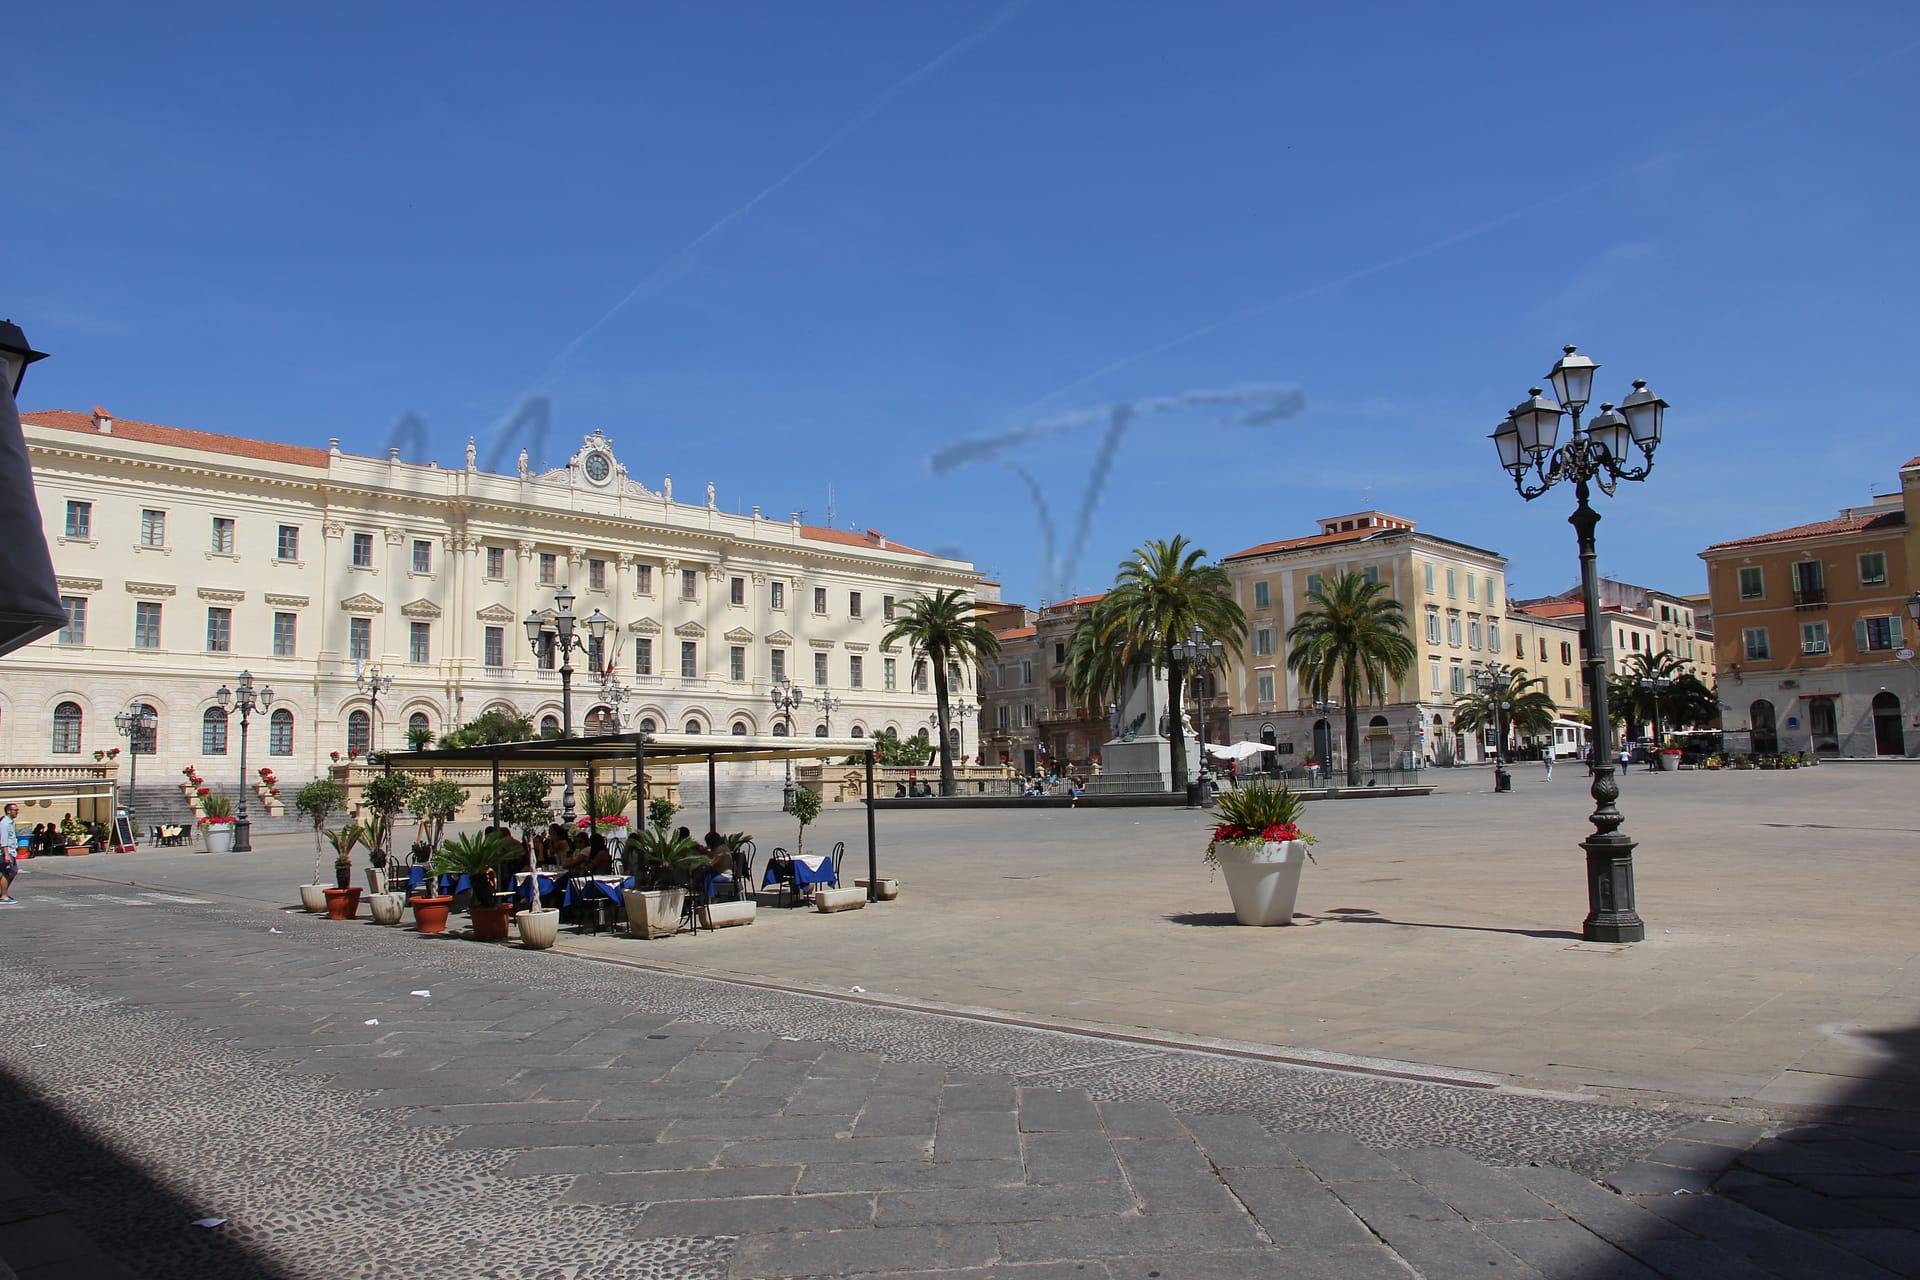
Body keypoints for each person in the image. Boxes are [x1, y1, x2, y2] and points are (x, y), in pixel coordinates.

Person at [0, 803, 20, 904]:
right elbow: (3, 840)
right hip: (6, 853)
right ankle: (3, 896)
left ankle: (3, 894)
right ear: (8, 811)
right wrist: (6, 854)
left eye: (17, 810)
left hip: (11, 852)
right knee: (7, 873)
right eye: (15, 810)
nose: (17, 812)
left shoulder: (10, 822)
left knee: (13, 872)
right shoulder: (4, 823)